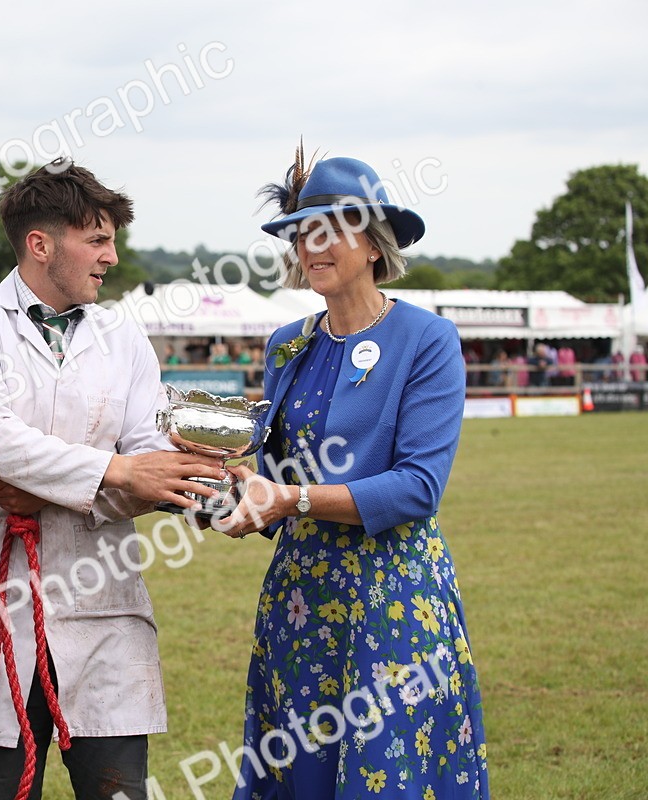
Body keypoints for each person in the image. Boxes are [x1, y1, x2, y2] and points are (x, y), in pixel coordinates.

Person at [0, 159, 224, 800]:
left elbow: (147, 449)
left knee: (119, 790)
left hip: (101, 600)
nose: (112, 256)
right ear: (41, 244)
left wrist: (194, 484)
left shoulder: (122, 334)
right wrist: (115, 471)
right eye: (98, 239)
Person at [220, 154, 488, 798]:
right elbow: (274, 476)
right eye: (303, 233)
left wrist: (289, 499)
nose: (313, 246)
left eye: (332, 230)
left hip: (391, 597)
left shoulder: (427, 338)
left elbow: (418, 487)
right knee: (304, 773)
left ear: (373, 243)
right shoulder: (288, 343)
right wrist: (219, 488)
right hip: (300, 602)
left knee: (386, 774)